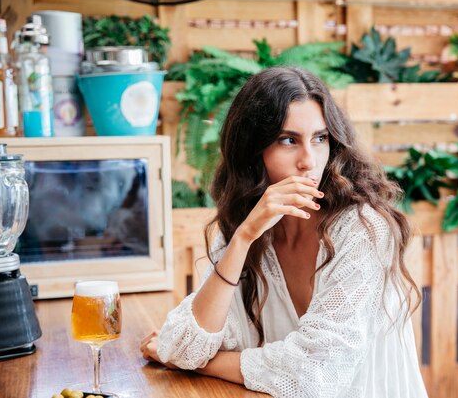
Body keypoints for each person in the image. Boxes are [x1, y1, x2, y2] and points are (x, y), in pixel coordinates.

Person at [140, 67, 428, 397]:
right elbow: (183, 344)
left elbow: (314, 375)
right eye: (288, 140)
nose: (309, 160)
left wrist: (203, 363)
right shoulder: (247, 225)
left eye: (320, 138)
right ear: (253, 150)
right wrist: (244, 237)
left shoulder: (364, 230)